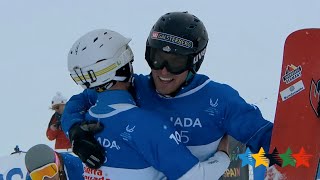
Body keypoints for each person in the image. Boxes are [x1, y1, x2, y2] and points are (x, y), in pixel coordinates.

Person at [63, 12, 273, 178]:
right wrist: (75, 131)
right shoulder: (136, 87)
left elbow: (267, 139)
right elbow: (77, 103)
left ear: (194, 62)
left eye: (175, 62)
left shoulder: (219, 100)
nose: (163, 71)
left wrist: (292, 159)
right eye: (157, 58)